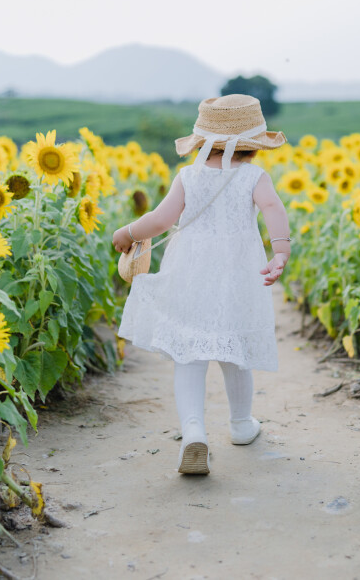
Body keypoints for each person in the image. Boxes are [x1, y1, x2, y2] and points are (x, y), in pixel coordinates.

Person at [112, 94, 291, 475]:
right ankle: (241, 425)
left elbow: (160, 221)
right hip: (238, 275)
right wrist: (280, 253)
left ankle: (194, 429)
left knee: (189, 352)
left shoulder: (188, 176)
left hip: (191, 273)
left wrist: (126, 232)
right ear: (253, 145)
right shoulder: (253, 177)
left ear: (201, 139)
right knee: (234, 346)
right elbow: (274, 209)